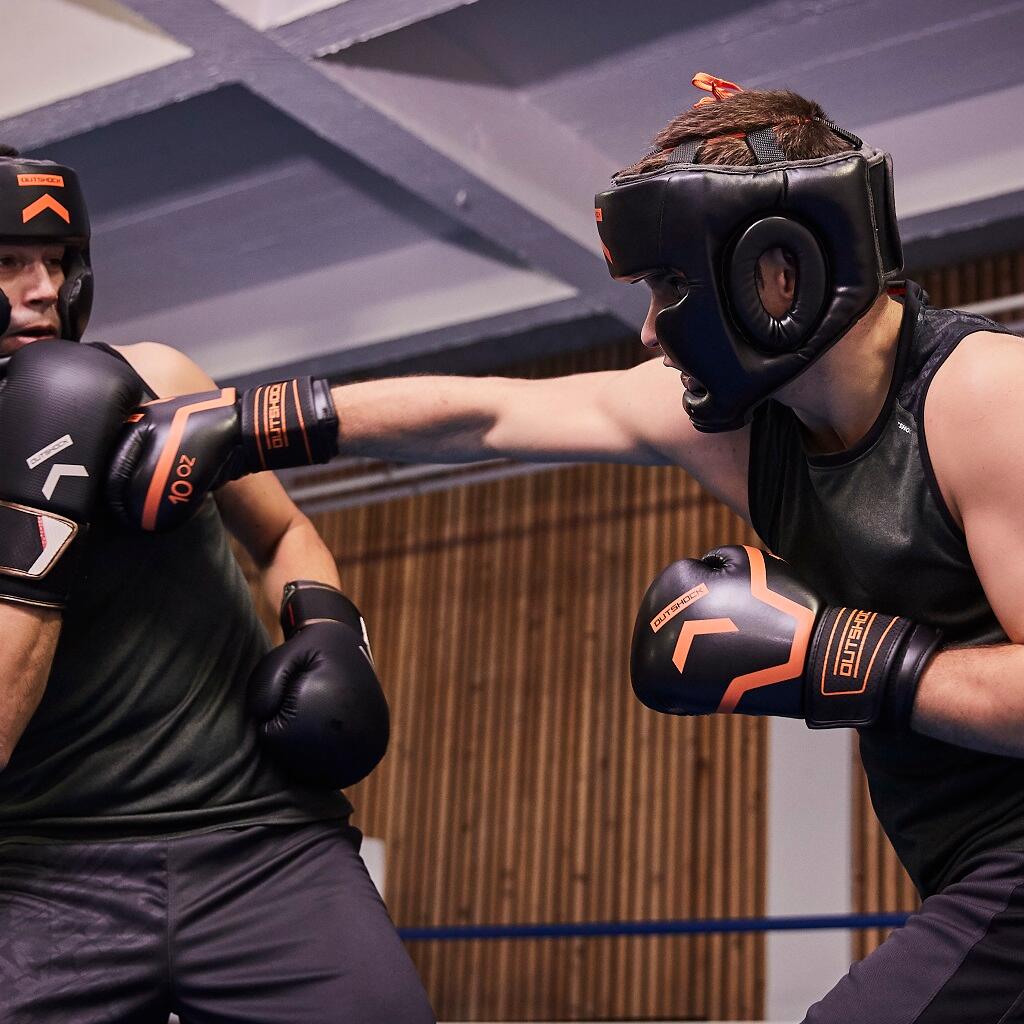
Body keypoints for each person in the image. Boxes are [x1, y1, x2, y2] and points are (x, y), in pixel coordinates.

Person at [114, 71, 1024, 1022]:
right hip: (960, 866)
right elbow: (487, 414)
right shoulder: (755, 429)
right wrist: (255, 421)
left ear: (777, 273)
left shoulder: (984, 398)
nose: (648, 330)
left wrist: (839, 659)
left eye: (671, 286)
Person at [0, 145, 434, 1024]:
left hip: (261, 845)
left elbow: (284, 531)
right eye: (9, 265)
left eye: (58, 264)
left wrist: (324, 630)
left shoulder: (156, 381)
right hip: (37, 876)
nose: (43, 289)